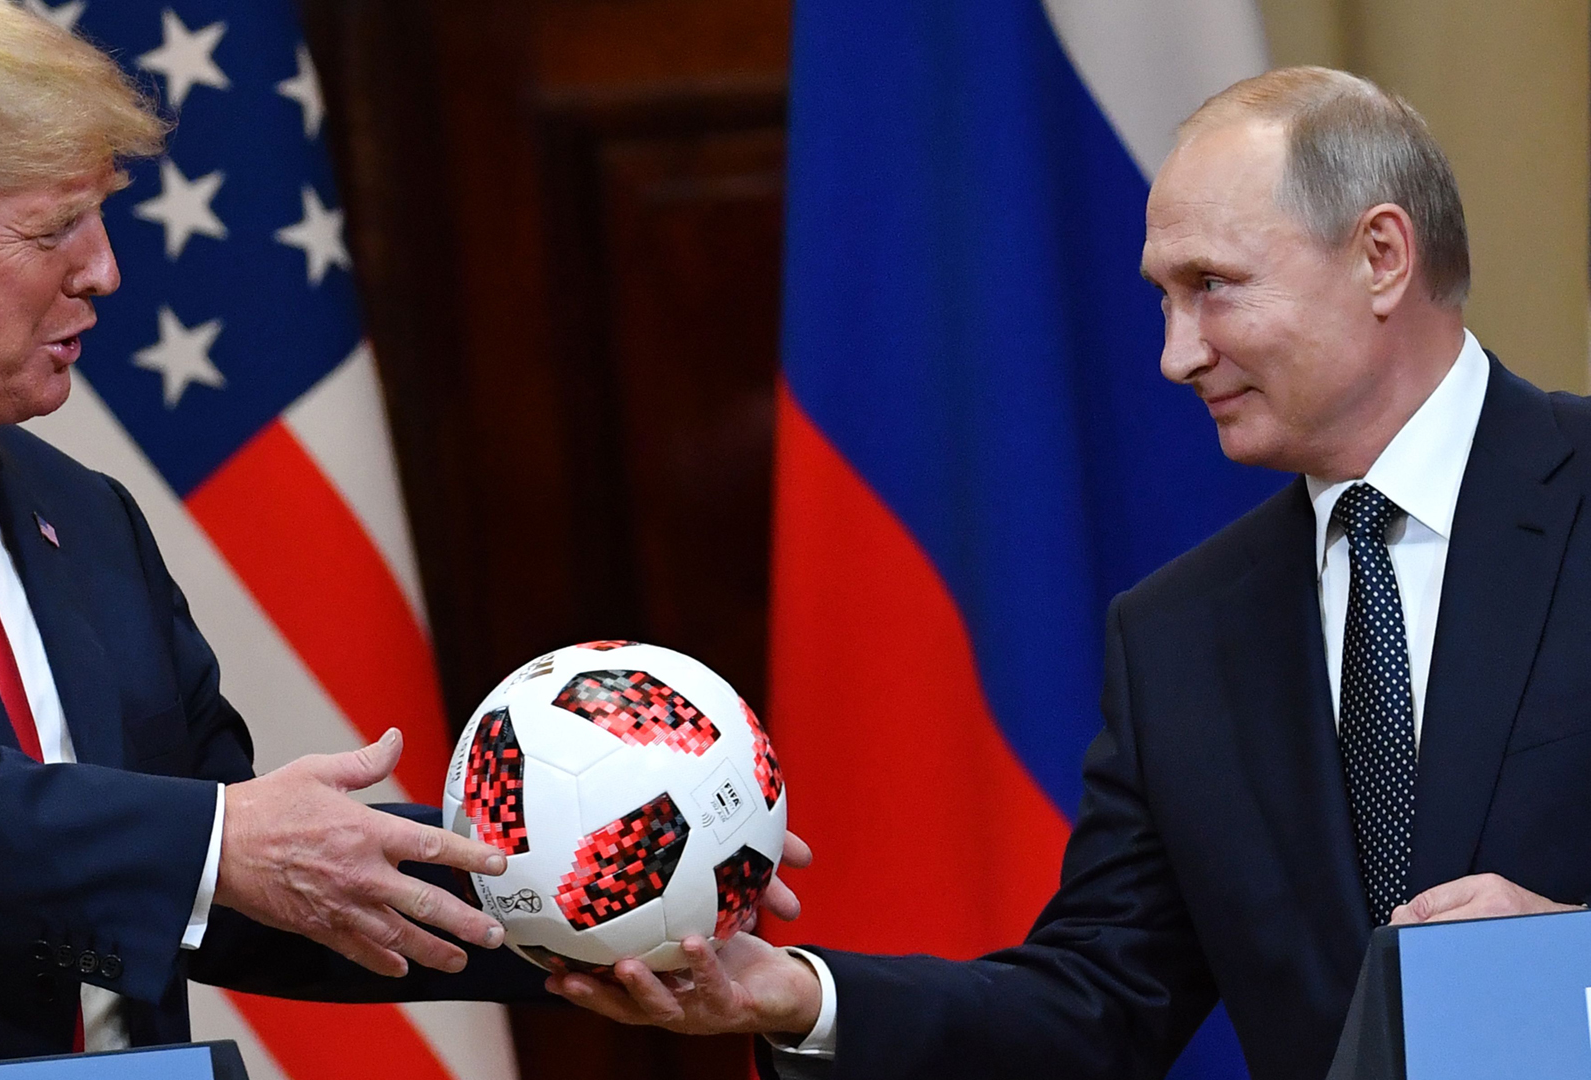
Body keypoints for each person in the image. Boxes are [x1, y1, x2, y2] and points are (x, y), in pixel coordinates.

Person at [0, 0, 812, 1073]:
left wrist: (589, 880)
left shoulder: (86, 518)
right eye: (55, 227)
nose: (106, 269)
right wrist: (217, 840)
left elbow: (243, 875)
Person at [548, 66, 1591, 1080]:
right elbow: (1093, 1007)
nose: (1177, 355)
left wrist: (1574, 967)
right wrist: (804, 998)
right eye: (1164, 299)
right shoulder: (1181, 634)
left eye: (1213, 287)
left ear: (1380, 256)